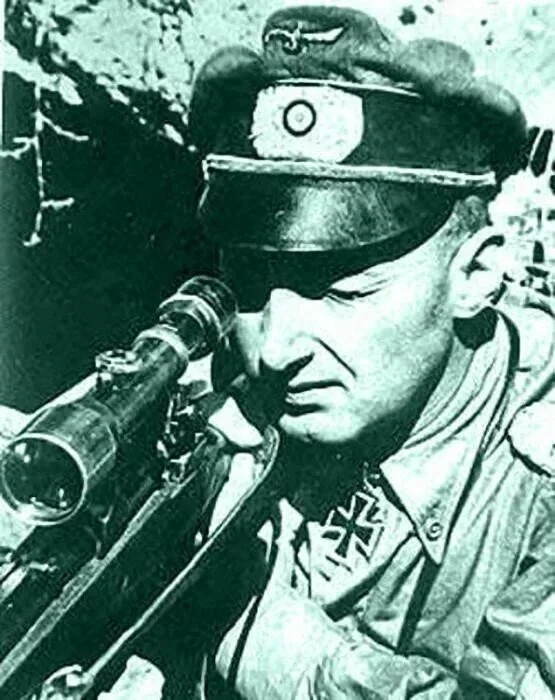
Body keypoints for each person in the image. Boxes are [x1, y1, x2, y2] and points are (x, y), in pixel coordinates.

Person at [177, 4, 555, 699]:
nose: (275, 349)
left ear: (476, 275)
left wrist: (277, 646)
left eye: (340, 291)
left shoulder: (541, 477)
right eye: (250, 283)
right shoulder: (212, 388)